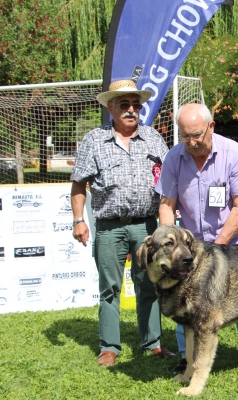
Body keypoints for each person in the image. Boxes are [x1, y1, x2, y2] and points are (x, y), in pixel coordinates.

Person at [156, 103, 238, 373]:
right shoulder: (173, 158)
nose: (192, 141)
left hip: (234, 241)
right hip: (191, 248)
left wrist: (217, 247)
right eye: (185, 136)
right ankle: (188, 357)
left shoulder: (235, 154)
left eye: (196, 134)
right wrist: (169, 243)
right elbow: (166, 204)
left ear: (211, 127)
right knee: (183, 300)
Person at [70, 79, 175, 367]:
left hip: (147, 226)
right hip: (109, 226)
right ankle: (109, 347)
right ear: (111, 107)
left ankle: (152, 342)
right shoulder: (94, 140)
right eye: (124, 104)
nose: (131, 110)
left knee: (150, 285)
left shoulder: (154, 138)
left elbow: (170, 182)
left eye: (136, 104)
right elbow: (79, 185)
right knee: (109, 288)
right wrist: (79, 219)